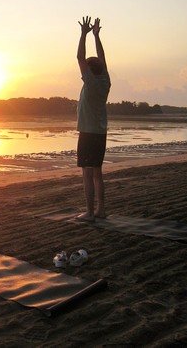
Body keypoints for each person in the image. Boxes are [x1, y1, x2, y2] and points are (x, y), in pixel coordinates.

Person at [75, 16, 111, 221]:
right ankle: (101, 210)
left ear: (88, 70)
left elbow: (79, 57)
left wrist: (83, 34)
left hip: (88, 134)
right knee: (97, 173)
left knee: (87, 174)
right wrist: (97, 36)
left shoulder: (90, 81)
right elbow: (102, 57)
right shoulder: (105, 79)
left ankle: (89, 212)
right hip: (100, 133)